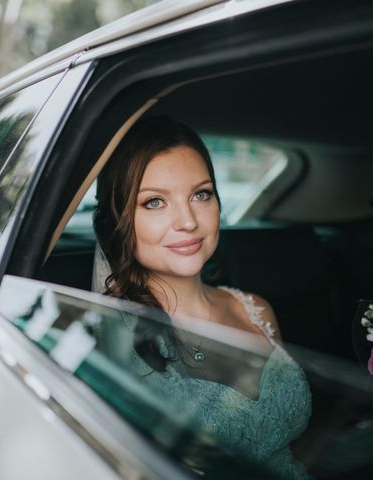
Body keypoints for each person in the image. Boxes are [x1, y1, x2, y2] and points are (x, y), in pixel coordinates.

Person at [93, 116, 311, 479]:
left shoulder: (256, 310)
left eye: (200, 194)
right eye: (154, 202)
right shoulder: (112, 335)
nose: (188, 220)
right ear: (120, 219)